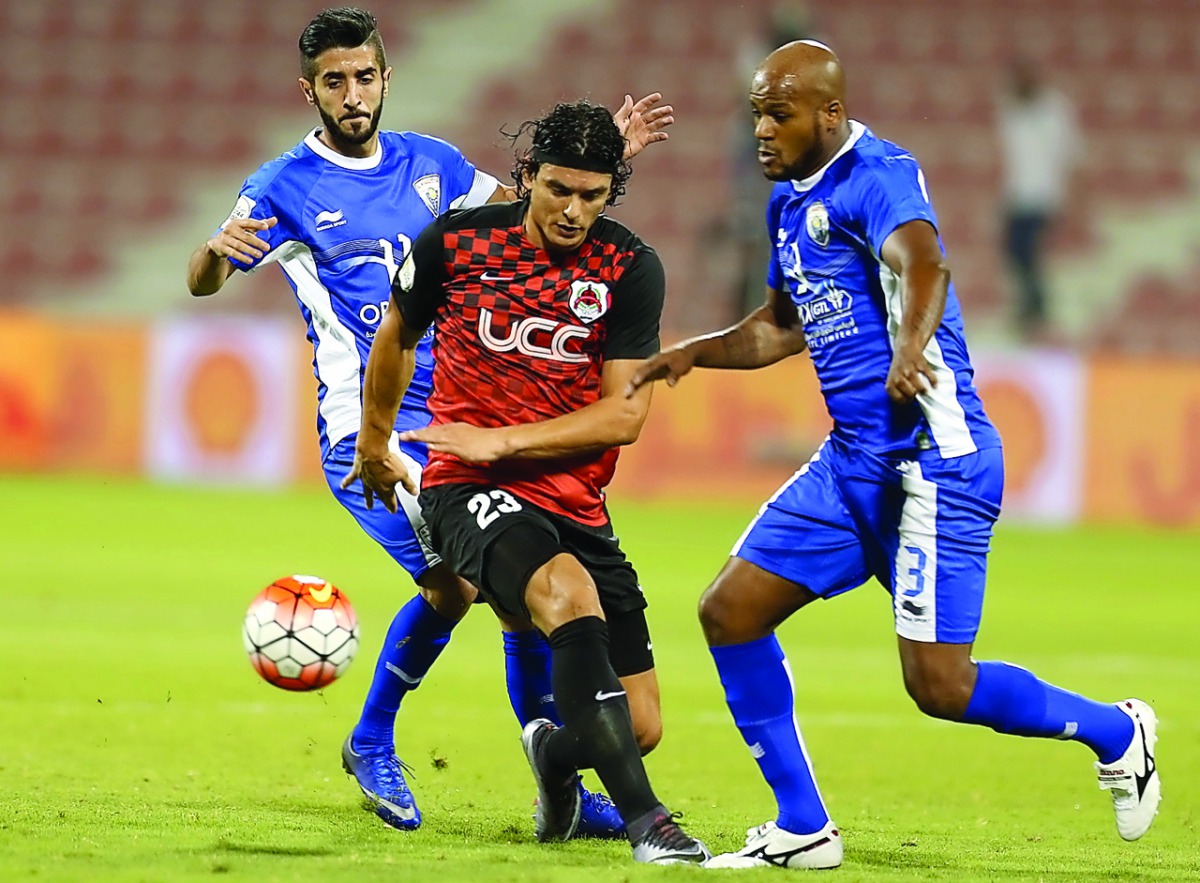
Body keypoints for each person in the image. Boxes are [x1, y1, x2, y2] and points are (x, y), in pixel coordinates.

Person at [627, 40, 1159, 870]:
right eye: (755, 113)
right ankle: (803, 824)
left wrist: (910, 347)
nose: (761, 130)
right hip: (854, 464)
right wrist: (691, 352)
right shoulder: (784, 204)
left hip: (934, 461)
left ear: (827, 115)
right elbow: (778, 326)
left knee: (940, 687)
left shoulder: (878, 174)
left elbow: (924, 262)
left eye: (778, 114)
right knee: (728, 610)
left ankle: (1119, 731)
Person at [184, 6, 673, 836]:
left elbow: (534, 209)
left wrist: (607, 157)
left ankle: (554, 783)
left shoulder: (433, 165)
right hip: (365, 426)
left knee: (517, 589)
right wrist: (211, 252)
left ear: (385, 78)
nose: (352, 93)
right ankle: (373, 738)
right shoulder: (279, 187)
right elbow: (203, 281)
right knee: (465, 583)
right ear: (307, 90)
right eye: (333, 81)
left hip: (456, 415)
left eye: (364, 76)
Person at [345, 100, 710, 865]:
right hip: (464, 487)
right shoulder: (457, 241)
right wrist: (376, 440)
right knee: (566, 593)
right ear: (525, 177)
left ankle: (554, 757)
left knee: (640, 725)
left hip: (574, 501)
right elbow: (396, 335)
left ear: (613, 191)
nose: (573, 210)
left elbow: (622, 418)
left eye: (592, 195)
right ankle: (650, 824)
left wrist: (507, 437)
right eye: (557, 190)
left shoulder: (631, 269)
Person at [997, 56, 1082, 342]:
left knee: (1028, 253)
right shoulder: (1010, 109)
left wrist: (1071, 196)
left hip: (1044, 196)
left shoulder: (1054, 110)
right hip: (1017, 195)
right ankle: (1029, 307)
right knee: (1014, 252)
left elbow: (1069, 153)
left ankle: (1037, 310)